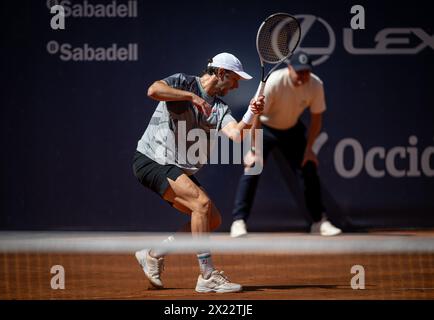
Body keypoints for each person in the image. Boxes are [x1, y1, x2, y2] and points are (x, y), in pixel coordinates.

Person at [132, 52, 265, 293]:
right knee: (201, 205)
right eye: (235, 79)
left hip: (174, 166)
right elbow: (153, 90)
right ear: (221, 73)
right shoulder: (184, 82)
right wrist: (192, 97)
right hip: (152, 159)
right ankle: (207, 275)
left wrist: (252, 112)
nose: (236, 86)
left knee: (211, 218)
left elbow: (237, 134)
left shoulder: (219, 108)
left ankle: (153, 255)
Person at [230, 51, 342, 238]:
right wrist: (253, 149)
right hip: (265, 127)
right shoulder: (275, 81)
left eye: (306, 72)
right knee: (252, 167)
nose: (302, 77)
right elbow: (257, 115)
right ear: (289, 69)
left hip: (292, 130)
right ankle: (238, 221)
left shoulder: (315, 85)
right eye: (299, 72)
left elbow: (316, 120)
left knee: (309, 168)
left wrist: (309, 149)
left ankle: (319, 222)